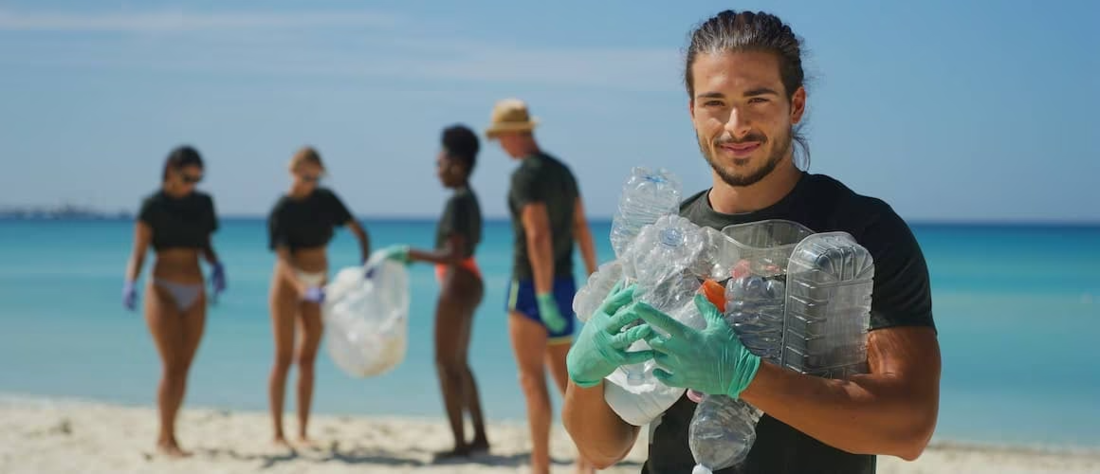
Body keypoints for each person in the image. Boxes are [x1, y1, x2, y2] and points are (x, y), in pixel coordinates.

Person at [562, 10, 941, 474]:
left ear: (795, 105)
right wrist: (582, 372)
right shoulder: (668, 235)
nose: (735, 125)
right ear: (692, 111)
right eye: (714, 102)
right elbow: (604, 447)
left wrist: (745, 378)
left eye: (757, 99)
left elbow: (909, 427)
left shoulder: (860, 234)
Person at [485, 98, 600, 474]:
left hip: (533, 286)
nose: (501, 145)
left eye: (502, 137)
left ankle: (540, 466)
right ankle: (586, 460)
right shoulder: (563, 172)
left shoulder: (526, 176)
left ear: (518, 134)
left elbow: (537, 237)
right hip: (566, 283)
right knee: (568, 381)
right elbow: (581, 226)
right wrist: (595, 277)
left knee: (531, 381)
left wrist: (544, 291)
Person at [378, 124, 491, 460]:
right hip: (470, 279)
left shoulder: (458, 203)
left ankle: (460, 443)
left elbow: (452, 255)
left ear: (456, 163)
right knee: (459, 363)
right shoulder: (469, 198)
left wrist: (409, 253)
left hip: (458, 282)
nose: (436, 170)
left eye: (439, 163)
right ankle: (480, 437)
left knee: (444, 364)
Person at [123, 145, 226, 458]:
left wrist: (217, 264)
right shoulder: (152, 206)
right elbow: (139, 251)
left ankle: (172, 434)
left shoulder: (204, 203)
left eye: (198, 178)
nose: (192, 184)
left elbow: (205, 243)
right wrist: (130, 281)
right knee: (170, 366)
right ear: (170, 170)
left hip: (196, 289)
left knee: (184, 366)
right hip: (163, 288)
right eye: (187, 177)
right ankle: (164, 437)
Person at [266, 146, 371, 448]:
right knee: (283, 358)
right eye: (306, 175)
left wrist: (365, 271)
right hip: (289, 284)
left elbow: (359, 232)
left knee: (308, 359)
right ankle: (277, 432)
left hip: (320, 280)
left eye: (316, 176)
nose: (311, 181)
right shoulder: (282, 210)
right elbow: (283, 258)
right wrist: (300, 287)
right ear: (293, 171)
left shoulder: (326, 200)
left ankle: (302, 429)